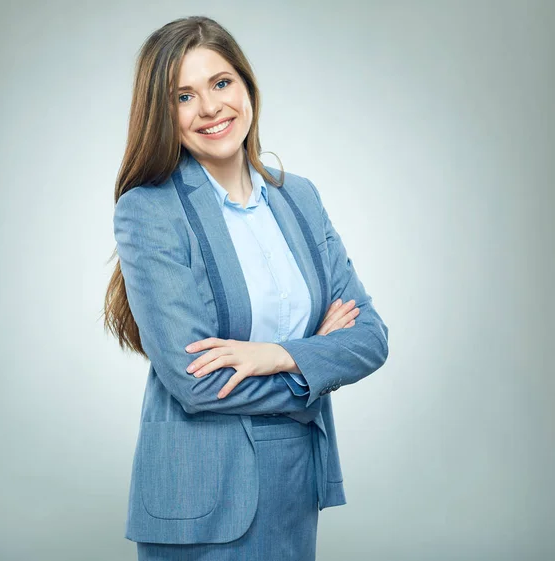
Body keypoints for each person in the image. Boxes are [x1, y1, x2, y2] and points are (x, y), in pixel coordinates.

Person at [103, 15, 389, 561]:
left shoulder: (298, 198)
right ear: (163, 114)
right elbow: (197, 384)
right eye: (183, 95)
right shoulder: (150, 211)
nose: (210, 108)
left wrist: (275, 355)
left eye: (221, 83)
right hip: (199, 498)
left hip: (293, 485)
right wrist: (313, 370)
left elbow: (369, 338)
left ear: (246, 86)